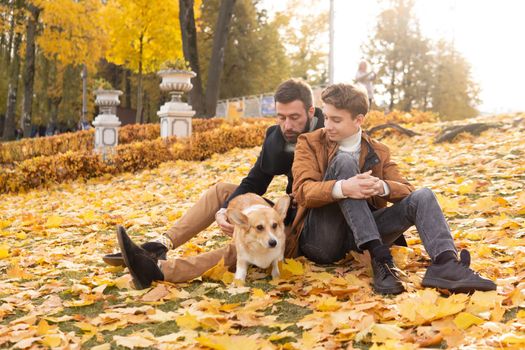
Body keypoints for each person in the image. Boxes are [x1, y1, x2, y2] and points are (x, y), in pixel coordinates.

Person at [104, 78, 326, 288]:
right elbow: (254, 181)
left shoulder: (329, 133)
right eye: (281, 117)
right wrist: (224, 210)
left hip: (307, 224)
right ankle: (160, 245)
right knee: (222, 192)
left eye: (294, 117)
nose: (287, 125)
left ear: (311, 111)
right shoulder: (278, 136)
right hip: (285, 211)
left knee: (247, 238)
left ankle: (161, 270)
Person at [291, 83, 496, 295]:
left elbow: (408, 190)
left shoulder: (379, 151)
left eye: (336, 120)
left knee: (423, 195)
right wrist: (343, 188)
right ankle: (381, 259)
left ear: (358, 120)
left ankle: (446, 264)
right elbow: (302, 191)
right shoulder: (309, 142)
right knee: (343, 162)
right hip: (322, 240)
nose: (328, 125)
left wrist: (381, 186)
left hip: (357, 242)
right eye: (326, 117)